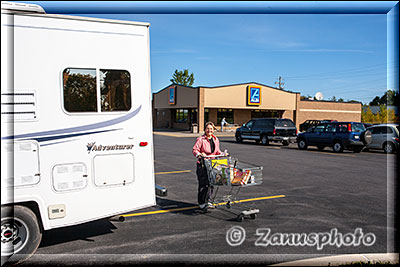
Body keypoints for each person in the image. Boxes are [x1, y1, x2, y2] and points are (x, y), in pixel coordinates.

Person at [192, 122, 227, 211]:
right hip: (203, 165)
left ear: (213, 130)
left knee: (211, 184)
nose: (209, 130)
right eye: (208, 128)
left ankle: (209, 201)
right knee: (203, 184)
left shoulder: (215, 139)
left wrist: (223, 153)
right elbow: (195, 149)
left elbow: (217, 151)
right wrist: (199, 154)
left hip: (212, 165)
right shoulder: (201, 139)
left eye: (211, 129)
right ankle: (201, 203)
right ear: (205, 129)